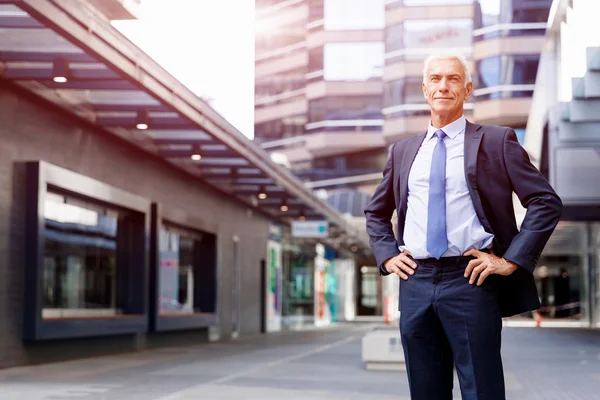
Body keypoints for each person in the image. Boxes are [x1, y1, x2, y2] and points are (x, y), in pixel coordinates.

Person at [364, 52, 562, 400]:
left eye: (453, 79)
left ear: (467, 89)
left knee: (482, 391)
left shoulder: (498, 141)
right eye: (436, 79)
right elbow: (376, 212)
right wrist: (387, 255)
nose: (444, 86)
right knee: (425, 392)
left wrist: (511, 260)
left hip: (470, 281)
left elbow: (545, 202)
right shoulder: (402, 152)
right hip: (416, 282)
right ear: (425, 88)